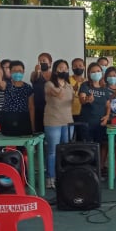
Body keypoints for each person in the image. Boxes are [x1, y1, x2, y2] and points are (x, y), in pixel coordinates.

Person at [44, 59, 75, 189]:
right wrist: (61, 86)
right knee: (53, 151)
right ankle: (51, 178)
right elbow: (59, 96)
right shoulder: (49, 84)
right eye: (61, 68)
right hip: (53, 121)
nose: (64, 71)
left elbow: (72, 102)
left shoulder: (69, 85)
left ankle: (63, 175)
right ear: (55, 70)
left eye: (66, 68)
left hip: (68, 122)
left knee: (65, 150)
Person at [0, 60, 35, 131]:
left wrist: (32, 126)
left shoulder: (28, 87)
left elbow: (31, 107)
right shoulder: (7, 84)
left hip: (23, 118)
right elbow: (0, 84)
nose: (17, 73)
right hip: (8, 118)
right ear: (10, 72)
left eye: (20, 71)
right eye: (14, 71)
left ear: (23, 72)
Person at [31, 52, 52, 133]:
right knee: (39, 131)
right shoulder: (34, 74)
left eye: (44, 60)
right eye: (40, 61)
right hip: (38, 107)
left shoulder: (54, 75)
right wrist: (37, 72)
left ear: (50, 63)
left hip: (51, 107)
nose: (42, 62)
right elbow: (33, 79)